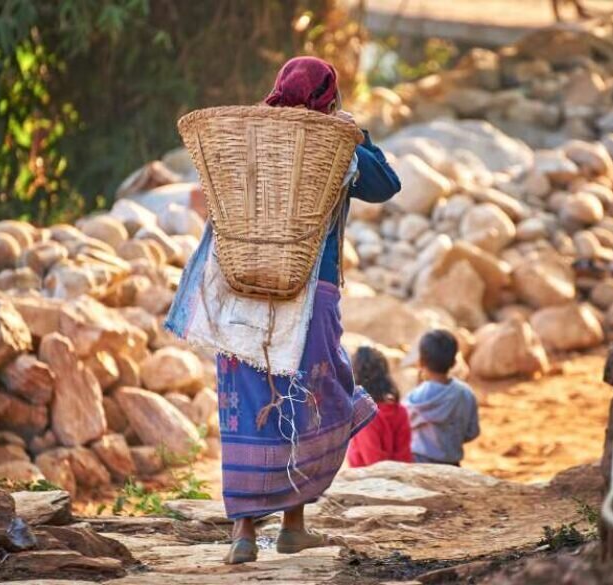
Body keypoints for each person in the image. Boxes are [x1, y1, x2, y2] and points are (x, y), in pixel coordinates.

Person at [172, 56, 401, 565]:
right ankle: (293, 525)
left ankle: (244, 534)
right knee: (310, 398)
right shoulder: (332, 147)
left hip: (234, 293)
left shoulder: (244, 134)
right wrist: (357, 134)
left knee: (245, 408)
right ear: (328, 98)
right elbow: (387, 184)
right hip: (308, 291)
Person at [403, 330, 480, 467]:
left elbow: (403, 430)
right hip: (452, 465)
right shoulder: (465, 393)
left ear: (420, 362)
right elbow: (472, 432)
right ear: (454, 361)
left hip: (418, 465)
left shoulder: (414, 398)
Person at [347, 346, 413, 467]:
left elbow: (374, 465)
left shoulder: (365, 416)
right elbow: (405, 457)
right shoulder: (400, 411)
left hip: (368, 482)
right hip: (402, 479)